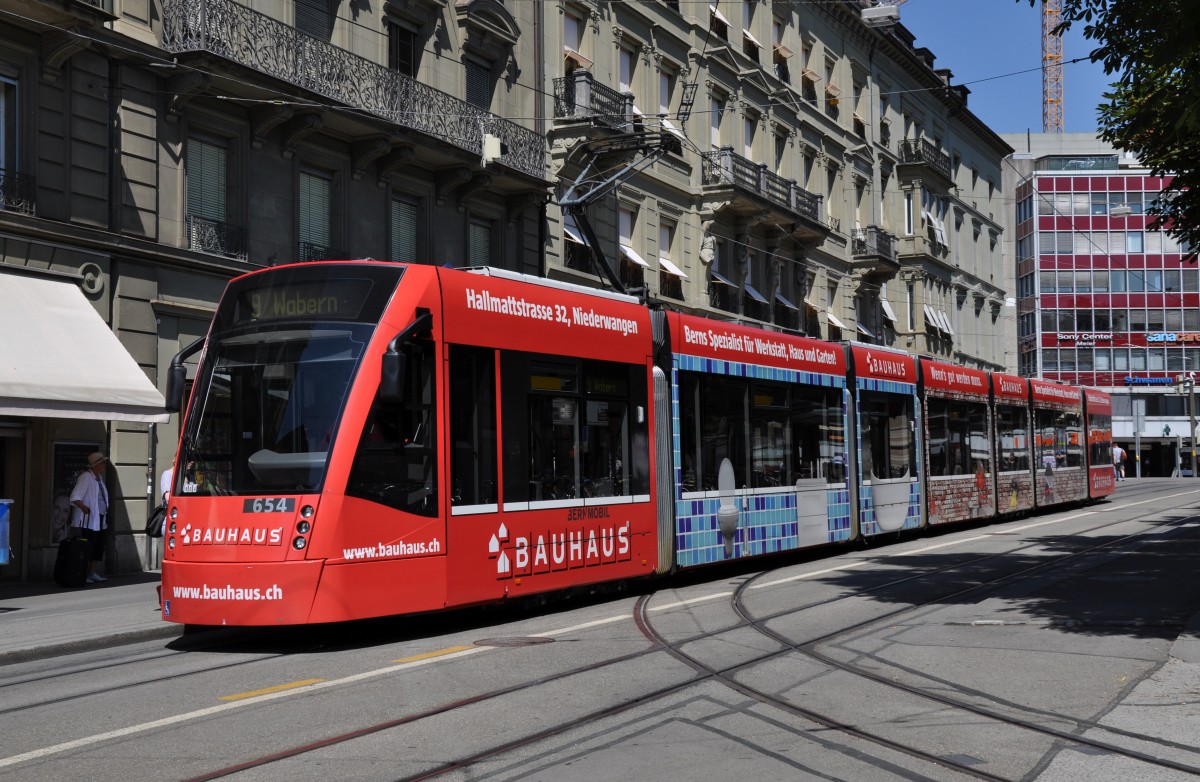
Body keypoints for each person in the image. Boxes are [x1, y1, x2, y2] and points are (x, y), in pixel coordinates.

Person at [69, 451, 110, 583]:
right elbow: (75, 497)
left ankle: (91, 572)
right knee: (88, 547)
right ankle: (83, 573)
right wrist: (83, 507)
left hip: (100, 518)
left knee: (98, 546)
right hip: (89, 519)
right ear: (95, 465)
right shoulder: (86, 477)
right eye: (102, 463)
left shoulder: (99, 479)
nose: (104, 465)